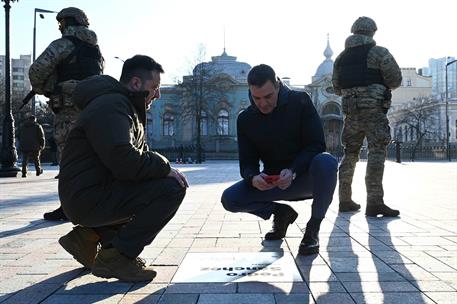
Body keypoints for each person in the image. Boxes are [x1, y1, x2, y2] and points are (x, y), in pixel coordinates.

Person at [58, 55, 188, 282]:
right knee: (171, 188)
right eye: (155, 88)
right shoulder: (111, 105)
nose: (158, 94)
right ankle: (117, 257)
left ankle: (86, 238)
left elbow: (137, 161)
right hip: (87, 197)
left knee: (152, 182)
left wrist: (157, 166)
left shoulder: (124, 106)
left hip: (92, 192)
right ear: (136, 83)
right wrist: (165, 166)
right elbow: (124, 161)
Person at [221, 64, 338, 256]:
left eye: (268, 97)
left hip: (304, 177)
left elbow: (316, 145)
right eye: (256, 98)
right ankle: (281, 213)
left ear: (277, 86)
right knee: (230, 199)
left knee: (327, 162)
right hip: (273, 182)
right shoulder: (246, 118)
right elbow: (247, 162)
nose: (263, 104)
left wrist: (293, 170)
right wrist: (253, 178)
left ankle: (313, 229)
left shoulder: (300, 101)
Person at [29, 7, 104, 221]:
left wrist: (47, 89)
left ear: (68, 23)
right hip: (92, 109)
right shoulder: (95, 50)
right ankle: (91, 203)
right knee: (89, 158)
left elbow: (36, 70)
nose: (60, 28)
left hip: (68, 110)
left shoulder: (63, 44)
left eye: (61, 23)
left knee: (69, 160)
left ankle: (69, 207)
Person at [332, 16, 402, 217]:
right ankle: (375, 202)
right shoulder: (379, 53)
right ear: (372, 32)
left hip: (351, 112)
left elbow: (336, 87)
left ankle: (344, 200)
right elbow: (395, 80)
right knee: (376, 151)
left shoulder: (341, 58)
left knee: (350, 153)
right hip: (373, 111)